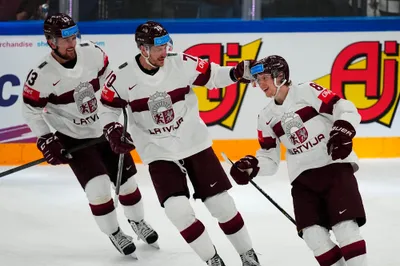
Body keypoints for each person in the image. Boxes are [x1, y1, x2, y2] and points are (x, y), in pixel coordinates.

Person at [98, 21, 260, 266]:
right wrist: (112, 129)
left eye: (166, 45)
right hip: (158, 152)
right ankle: (212, 260)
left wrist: (236, 73)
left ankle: (248, 256)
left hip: (194, 143)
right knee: (178, 211)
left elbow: (214, 75)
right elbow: (107, 108)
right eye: (158, 47)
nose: (165, 51)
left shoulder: (180, 62)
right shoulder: (122, 76)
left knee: (222, 205)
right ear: (143, 49)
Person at [21, 13, 158, 258]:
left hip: (105, 128)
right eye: (65, 40)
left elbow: (110, 79)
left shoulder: (93, 53)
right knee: (98, 188)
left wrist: (113, 114)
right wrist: (46, 138)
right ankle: (115, 232)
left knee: (127, 183)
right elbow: (30, 109)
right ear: (51, 42)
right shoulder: (41, 74)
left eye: (73, 36)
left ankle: (137, 221)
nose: (71, 43)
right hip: (73, 137)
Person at [229, 55, 367, 266]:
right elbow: (269, 158)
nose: (260, 84)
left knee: (345, 229)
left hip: (333, 168)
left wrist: (343, 131)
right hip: (303, 181)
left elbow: (344, 107)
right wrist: (252, 167)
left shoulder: (307, 91)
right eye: (258, 79)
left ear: (281, 76)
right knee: (314, 238)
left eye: (265, 77)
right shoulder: (266, 117)